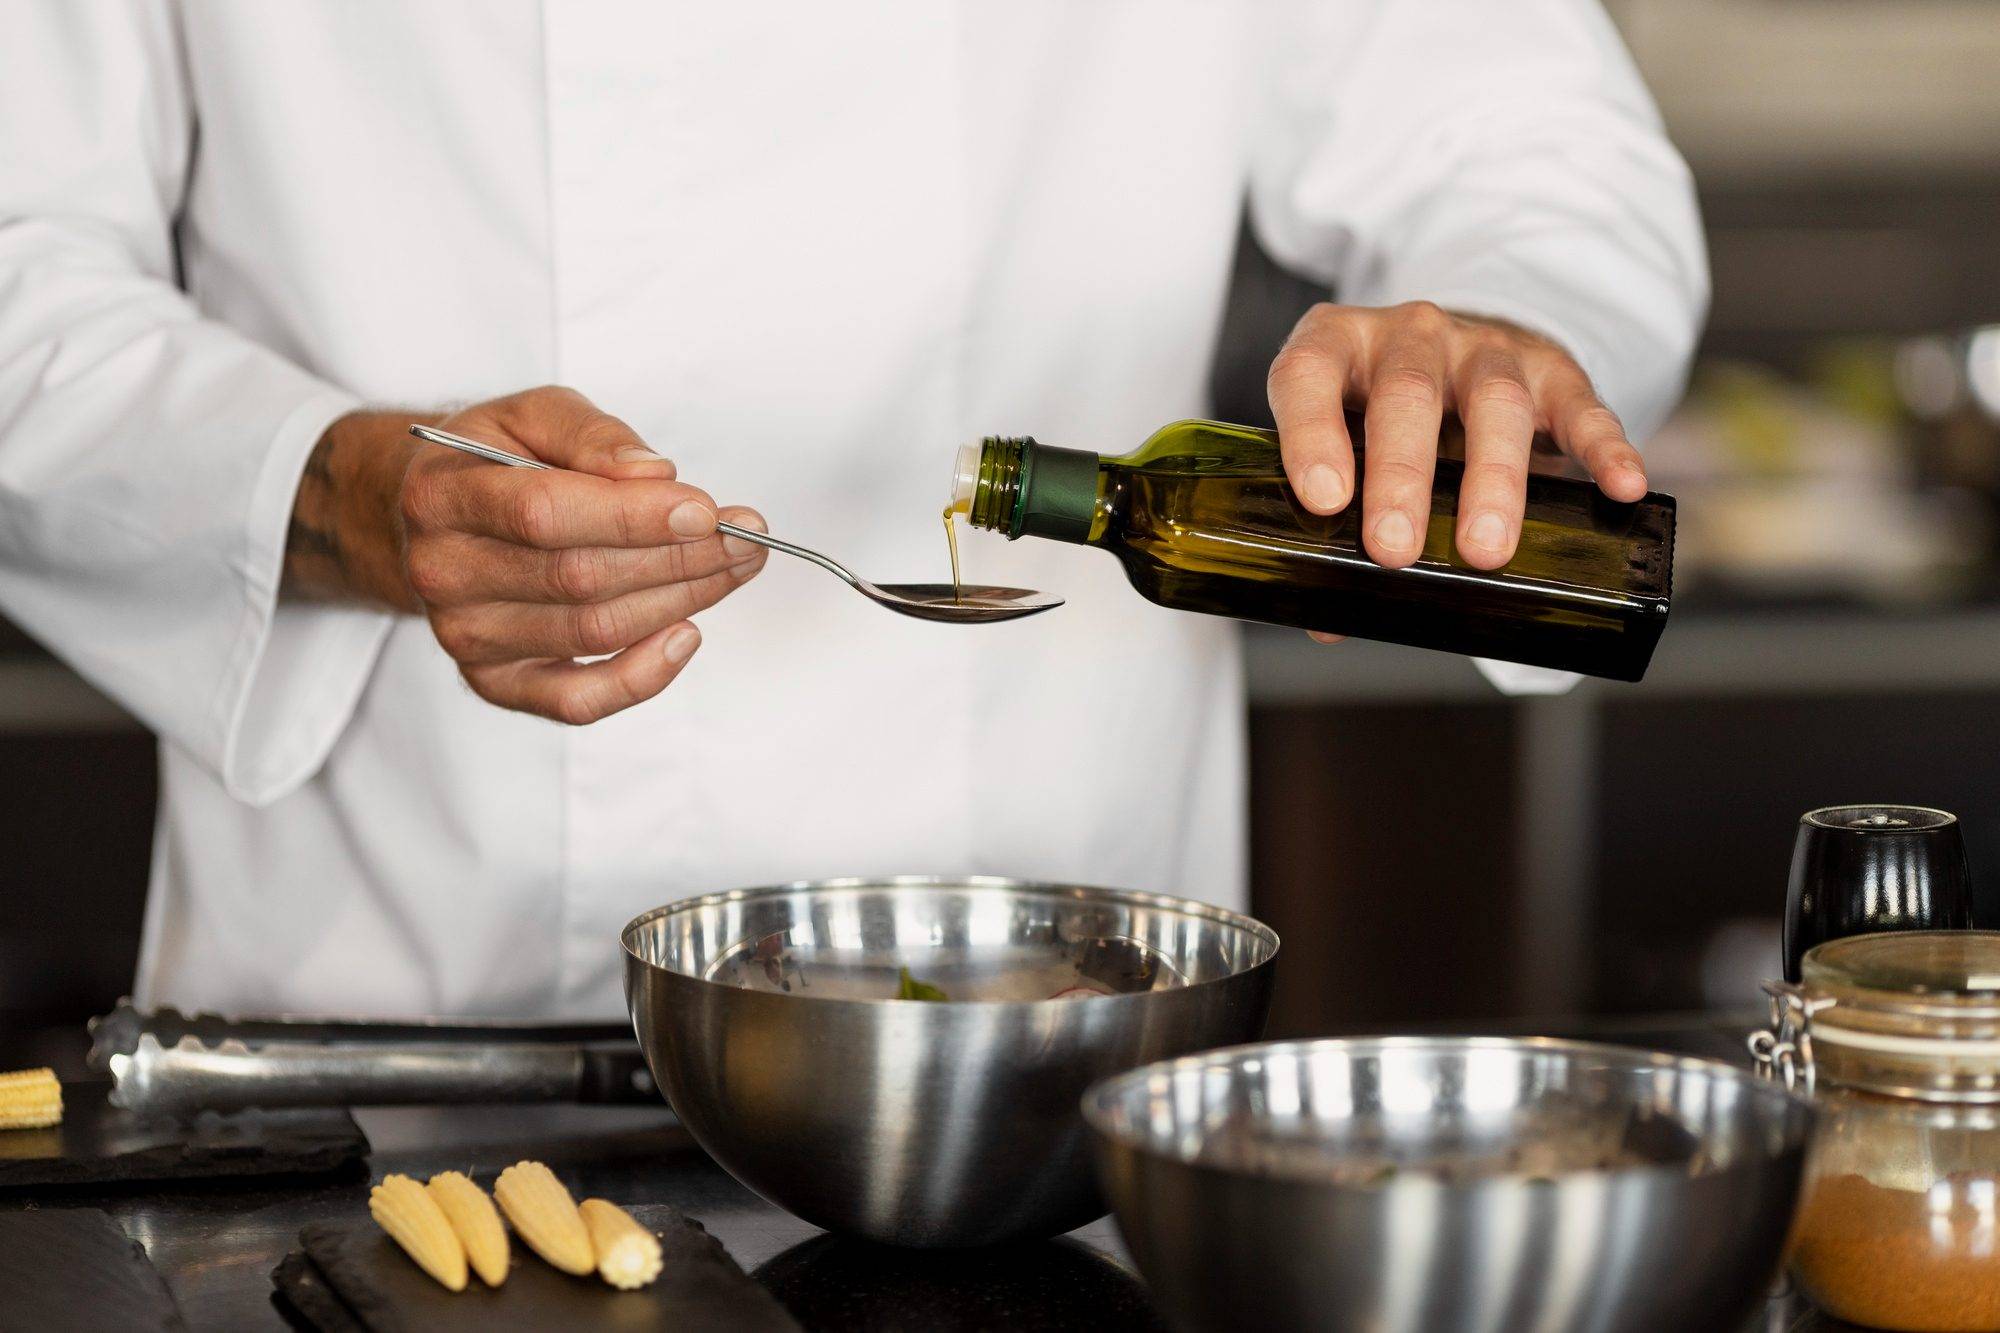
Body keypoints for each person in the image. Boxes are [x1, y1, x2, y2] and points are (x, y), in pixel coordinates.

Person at [0, 3, 1704, 1017]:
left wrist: (1494, 333)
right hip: (386, 1029)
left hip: (1040, 1039)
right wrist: (339, 495)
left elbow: (1532, 143)